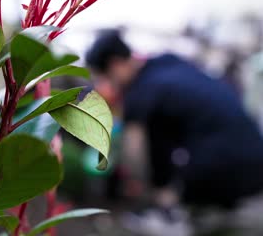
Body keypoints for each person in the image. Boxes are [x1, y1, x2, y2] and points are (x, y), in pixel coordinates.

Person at [85, 29, 263, 235]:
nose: (105, 86)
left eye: (104, 78)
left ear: (115, 65)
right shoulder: (168, 62)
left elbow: (146, 148)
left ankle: (178, 216)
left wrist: (157, 192)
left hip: (226, 168)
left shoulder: (141, 92)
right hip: (256, 154)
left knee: (162, 209)